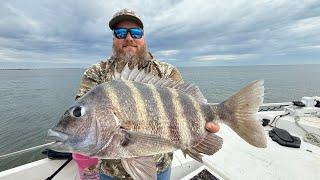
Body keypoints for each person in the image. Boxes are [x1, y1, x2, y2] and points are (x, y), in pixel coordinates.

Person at [74, 8, 220, 180]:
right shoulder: (96, 73)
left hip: (159, 169)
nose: (129, 38)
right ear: (113, 38)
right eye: (120, 33)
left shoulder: (166, 72)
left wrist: (207, 123)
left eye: (135, 32)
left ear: (143, 37)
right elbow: (84, 117)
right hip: (110, 173)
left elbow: (188, 108)